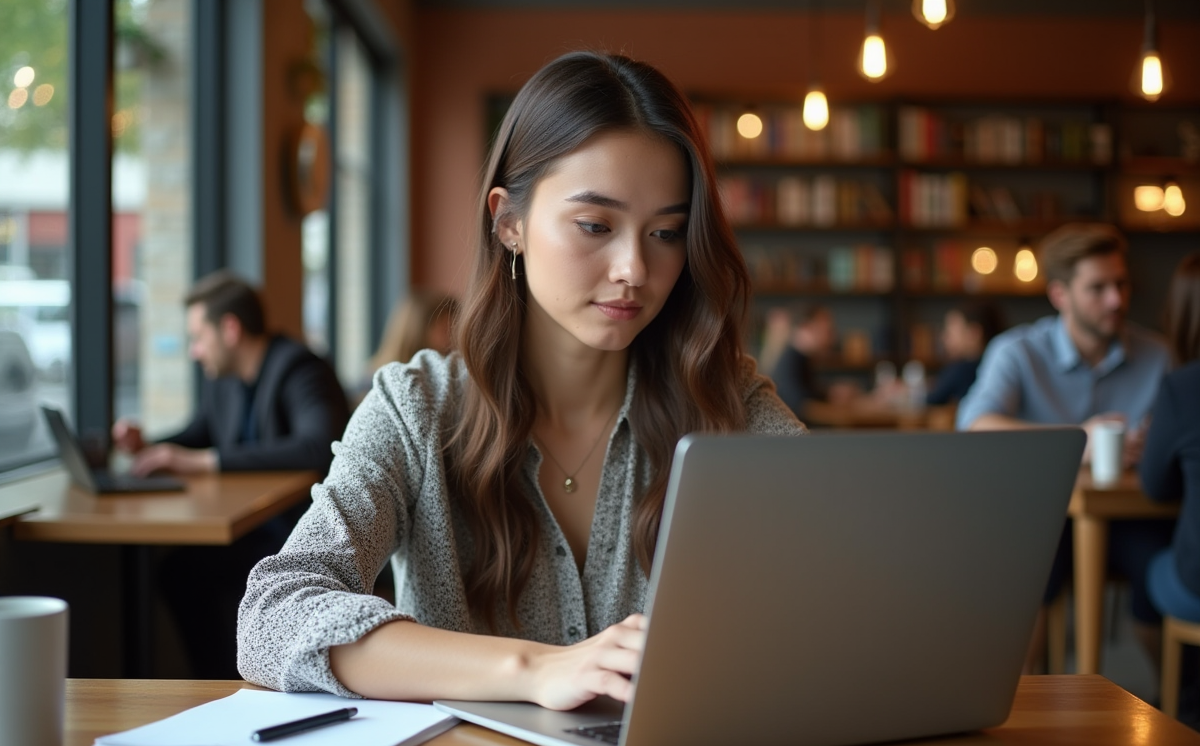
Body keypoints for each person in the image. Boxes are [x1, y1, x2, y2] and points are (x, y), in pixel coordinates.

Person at [237, 51, 803, 706]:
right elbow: (271, 618)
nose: (635, 269)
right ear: (510, 224)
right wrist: (535, 670)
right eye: (596, 225)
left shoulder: (727, 401)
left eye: (667, 232)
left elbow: (857, 571)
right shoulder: (416, 409)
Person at [113, 270, 351, 678]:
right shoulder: (223, 383)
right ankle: (227, 673)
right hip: (255, 529)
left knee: (183, 573)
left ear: (230, 329)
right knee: (181, 571)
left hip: (298, 532)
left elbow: (316, 445)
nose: (194, 351)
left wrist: (206, 462)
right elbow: (197, 435)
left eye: (198, 337)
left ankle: (227, 677)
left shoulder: (299, 368)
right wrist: (149, 446)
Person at [957, 223, 1173, 670]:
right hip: (1038, 513)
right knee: (1026, 580)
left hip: (1130, 518)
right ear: (1060, 294)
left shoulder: (1159, 356)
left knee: (1165, 573)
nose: (1116, 299)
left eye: (1121, 284)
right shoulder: (1018, 351)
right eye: (1098, 288)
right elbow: (976, 427)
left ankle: (1177, 702)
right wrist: (1080, 440)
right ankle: (1021, 710)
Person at [1142, 253, 1200, 625]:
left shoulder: (1182, 387)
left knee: (1154, 564)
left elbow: (1156, 487)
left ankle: (1185, 683)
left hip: (1196, 586)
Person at [357, 291, 459, 401]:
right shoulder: (379, 386)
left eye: (457, 331)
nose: (454, 340)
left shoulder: (454, 378)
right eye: (445, 331)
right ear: (417, 332)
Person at [768, 304, 858, 422]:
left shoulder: (802, 358)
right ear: (805, 327)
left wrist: (831, 393)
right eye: (827, 329)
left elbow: (809, 392)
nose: (832, 337)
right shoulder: (790, 361)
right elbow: (801, 406)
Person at [925, 300, 1003, 407]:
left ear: (974, 333)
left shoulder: (962, 369)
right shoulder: (1001, 365)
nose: (944, 338)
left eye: (950, 331)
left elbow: (932, 399)